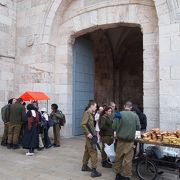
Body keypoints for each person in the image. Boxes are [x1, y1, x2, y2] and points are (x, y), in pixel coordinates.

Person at [112, 101, 141, 180]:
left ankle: (117, 174)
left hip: (120, 141)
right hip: (130, 142)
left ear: (124, 106)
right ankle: (127, 176)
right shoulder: (135, 115)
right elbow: (138, 127)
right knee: (128, 160)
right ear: (131, 107)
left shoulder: (119, 114)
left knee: (118, 158)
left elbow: (114, 126)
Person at [81, 100, 101, 178]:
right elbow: (83, 124)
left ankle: (84, 165)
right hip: (90, 136)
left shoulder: (91, 114)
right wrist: (88, 133)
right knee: (93, 152)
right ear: (91, 105)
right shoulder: (87, 113)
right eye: (95, 106)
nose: (96, 108)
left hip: (91, 135)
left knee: (87, 150)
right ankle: (94, 170)